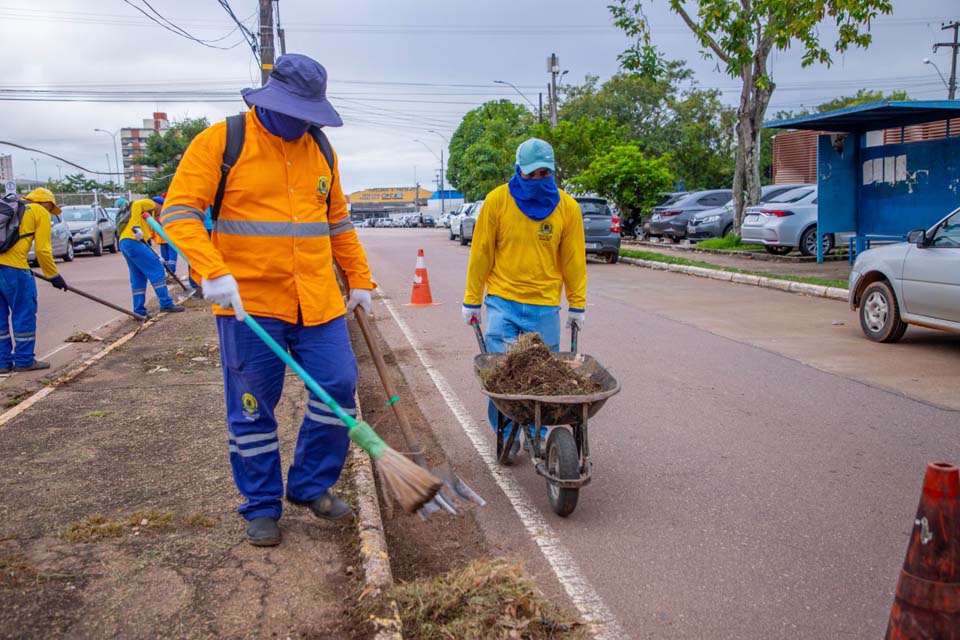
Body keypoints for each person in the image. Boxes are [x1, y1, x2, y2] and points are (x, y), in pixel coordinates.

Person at [161, 53, 375, 547]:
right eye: (295, 111)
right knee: (254, 408)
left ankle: (310, 485)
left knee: (339, 386)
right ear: (269, 100)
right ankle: (260, 504)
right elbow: (178, 214)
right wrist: (210, 271)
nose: (302, 123)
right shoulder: (221, 141)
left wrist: (359, 279)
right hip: (249, 304)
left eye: (309, 114)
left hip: (317, 299)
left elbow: (338, 221)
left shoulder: (321, 149)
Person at [461, 138, 587, 462]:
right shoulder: (497, 202)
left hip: (545, 307)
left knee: (545, 380)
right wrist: (472, 300)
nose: (536, 180)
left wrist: (577, 304)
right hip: (503, 302)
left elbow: (573, 259)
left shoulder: (567, 208)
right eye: (531, 174)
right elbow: (481, 253)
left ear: (553, 172)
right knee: (502, 376)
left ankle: (542, 434)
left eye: (544, 173)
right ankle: (504, 430)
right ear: (518, 171)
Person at [0, 188, 68, 373]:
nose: (50, 212)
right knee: (23, 312)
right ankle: (24, 360)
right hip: (15, 269)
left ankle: (2, 362)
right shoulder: (40, 212)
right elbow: (43, 250)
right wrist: (54, 276)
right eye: (51, 209)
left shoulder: (9, 208)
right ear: (47, 203)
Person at [118, 198, 184, 318]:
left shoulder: (149, 216)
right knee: (157, 269)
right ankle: (166, 303)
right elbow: (137, 204)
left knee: (138, 276)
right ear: (159, 204)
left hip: (126, 242)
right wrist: (136, 227)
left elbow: (149, 235)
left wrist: (156, 255)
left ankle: (138, 311)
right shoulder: (150, 203)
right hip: (133, 240)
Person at [151, 195, 177, 280]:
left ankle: (171, 272)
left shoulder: (166, 213)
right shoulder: (154, 215)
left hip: (170, 239)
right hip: (162, 240)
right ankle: (167, 273)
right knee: (164, 258)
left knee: (172, 257)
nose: (153, 206)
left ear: (160, 204)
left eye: (155, 204)